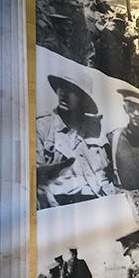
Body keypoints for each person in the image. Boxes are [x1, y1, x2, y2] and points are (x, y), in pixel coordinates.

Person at [36, 71, 116, 208]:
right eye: (61, 87)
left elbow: (110, 173)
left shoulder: (96, 129)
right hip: (62, 207)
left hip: (100, 203)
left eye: (71, 90)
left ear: (84, 100)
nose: (63, 93)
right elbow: (35, 178)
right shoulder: (43, 126)